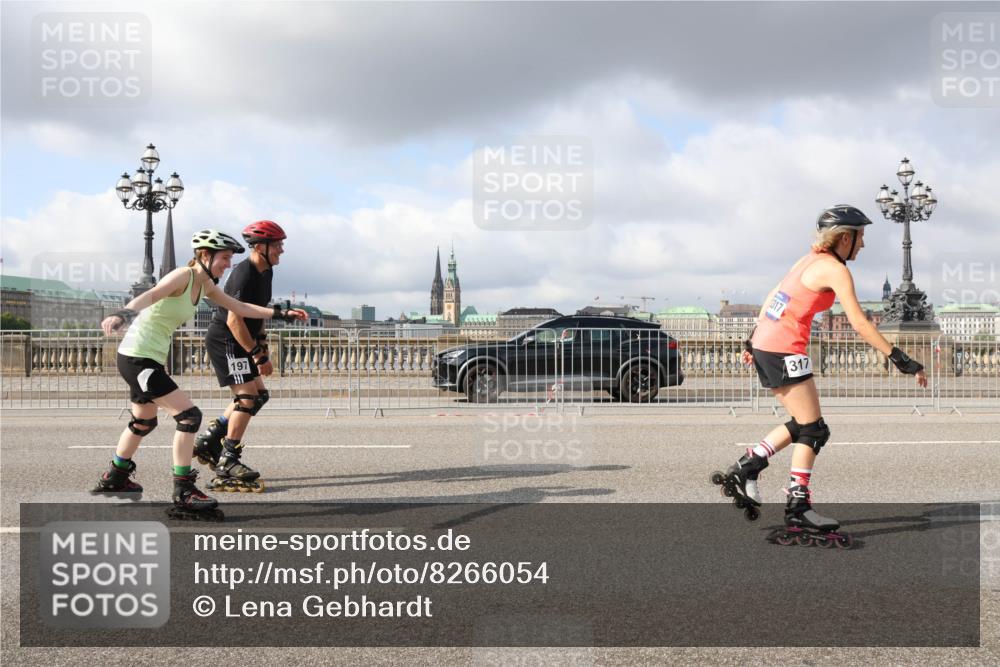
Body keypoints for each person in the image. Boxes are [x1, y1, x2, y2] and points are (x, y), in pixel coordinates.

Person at [712, 205, 927, 546]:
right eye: (861, 237)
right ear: (845, 238)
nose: (863, 245)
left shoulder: (807, 260)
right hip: (783, 349)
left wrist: (752, 339)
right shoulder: (833, 269)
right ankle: (797, 505)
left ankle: (749, 465)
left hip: (773, 346)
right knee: (813, 429)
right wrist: (899, 358)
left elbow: (774, 296)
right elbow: (858, 322)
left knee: (803, 423)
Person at [91, 230, 306, 520]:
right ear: (205, 255)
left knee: (143, 421)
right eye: (225, 258)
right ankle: (183, 490)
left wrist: (281, 314)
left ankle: (115, 476)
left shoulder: (205, 284)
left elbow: (239, 307)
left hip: (147, 357)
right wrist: (122, 313)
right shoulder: (185, 275)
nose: (228, 265)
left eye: (230, 259)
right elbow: (152, 294)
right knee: (189, 416)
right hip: (137, 357)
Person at [194, 220, 288, 492]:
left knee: (258, 396)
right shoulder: (244, 274)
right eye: (278, 245)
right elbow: (235, 321)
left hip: (239, 340)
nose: (281, 250)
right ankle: (228, 462)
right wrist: (257, 355)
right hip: (226, 339)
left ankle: (210, 440)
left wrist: (263, 345)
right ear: (261, 247)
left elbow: (256, 313)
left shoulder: (265, 272)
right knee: (247, 397)